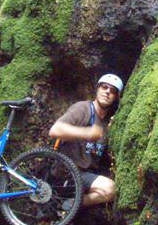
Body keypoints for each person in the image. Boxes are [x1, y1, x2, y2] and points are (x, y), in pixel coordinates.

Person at [48, 73, 123, 208]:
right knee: (110, 189)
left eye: (113, 91)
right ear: (97, 89)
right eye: (104, 87)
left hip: (85, 176)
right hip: (66, 173)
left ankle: (68, 206)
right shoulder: (83, 109)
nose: (107, 92)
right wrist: (87, 132)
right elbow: (55, 130)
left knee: (117, 187)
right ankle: (67, 205)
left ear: (116, 97)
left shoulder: (109, 124)